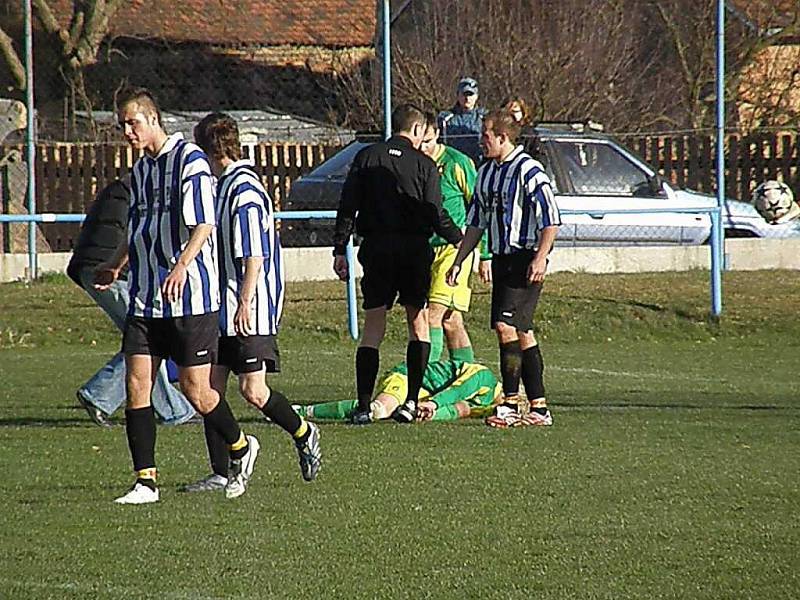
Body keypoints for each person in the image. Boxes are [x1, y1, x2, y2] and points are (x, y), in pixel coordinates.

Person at [94, 88, 258, 504]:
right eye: (122, 125)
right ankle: (145, 482)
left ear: (152, 119)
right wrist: (117, 263)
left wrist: (182, 265)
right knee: (137, 382)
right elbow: (142, 228)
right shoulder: (142, 171)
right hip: (147, 296)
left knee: (195, 390)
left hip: (191, 299)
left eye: (132, 123)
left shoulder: (189, 161)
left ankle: (240, 446)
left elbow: (203, 224)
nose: (127, 131)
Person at [184, 112, 320, 492]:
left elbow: (254, 256)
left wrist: (245, 302)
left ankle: (304, 432)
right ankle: (222, 471)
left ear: (210, 150)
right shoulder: (221, 185)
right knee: (207, 389)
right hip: (220, 306)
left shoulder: (244, 189)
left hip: (249, 308)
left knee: (252, 391)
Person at [332, 103, 463, 425]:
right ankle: (410, 402)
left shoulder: (366, 156)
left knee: (373, 327)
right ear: (418, 130)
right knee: (418, 323)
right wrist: (461, 240)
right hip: (413, 250)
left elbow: (348, 205)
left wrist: (339, 248)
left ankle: (364, 406)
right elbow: (435, 213)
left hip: (376, 249)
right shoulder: (425, 164)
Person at [445, 110, 561, 428]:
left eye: (485, 136)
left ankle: (510, 403)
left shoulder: (529, 170)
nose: (481, 141)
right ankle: (539, 408)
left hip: (525, 259)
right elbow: (476, 223)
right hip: (502, 260)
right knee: (522, 332)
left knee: (504, 326)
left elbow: (550, 219)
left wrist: (540, 257)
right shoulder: (486, 173)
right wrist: (459, 261)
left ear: (502, 137)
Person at [67, 175, 196, 427]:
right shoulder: (146, 194)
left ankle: (174, 409)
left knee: (145, 340)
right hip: (109, 272)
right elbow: (143, 234)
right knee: (148, 339)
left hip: (92, 267)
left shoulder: (122, 189)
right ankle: (102, 396)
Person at [419, 113, 489, 362]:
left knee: (432, 316)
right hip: (425, 251)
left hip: (454, 250)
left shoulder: (456, 163)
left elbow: (480, 207)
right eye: (419, 141)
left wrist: (485, 254)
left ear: (437, 134)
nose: (422, 147)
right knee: (451, 320)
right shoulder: (415, 164)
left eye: (427, 141)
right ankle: (464, 377)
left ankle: (426, 378)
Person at [296, 359, 501, 423]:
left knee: (388, 414)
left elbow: (457, 410)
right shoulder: (486, 377)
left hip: (424, 393)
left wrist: (428, 414)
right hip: (407, 376)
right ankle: (303, 412)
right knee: (377, 410)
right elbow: (457, 391)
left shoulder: (487, 406)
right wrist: (433, 404)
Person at [437, 77, 486, 164]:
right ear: (458, 95)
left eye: (470, 94)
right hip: (453, 166)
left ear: (476, 96)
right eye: (464, 94)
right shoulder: (445, 119)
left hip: (479, 167)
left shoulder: (485, 118)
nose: (467, 98)